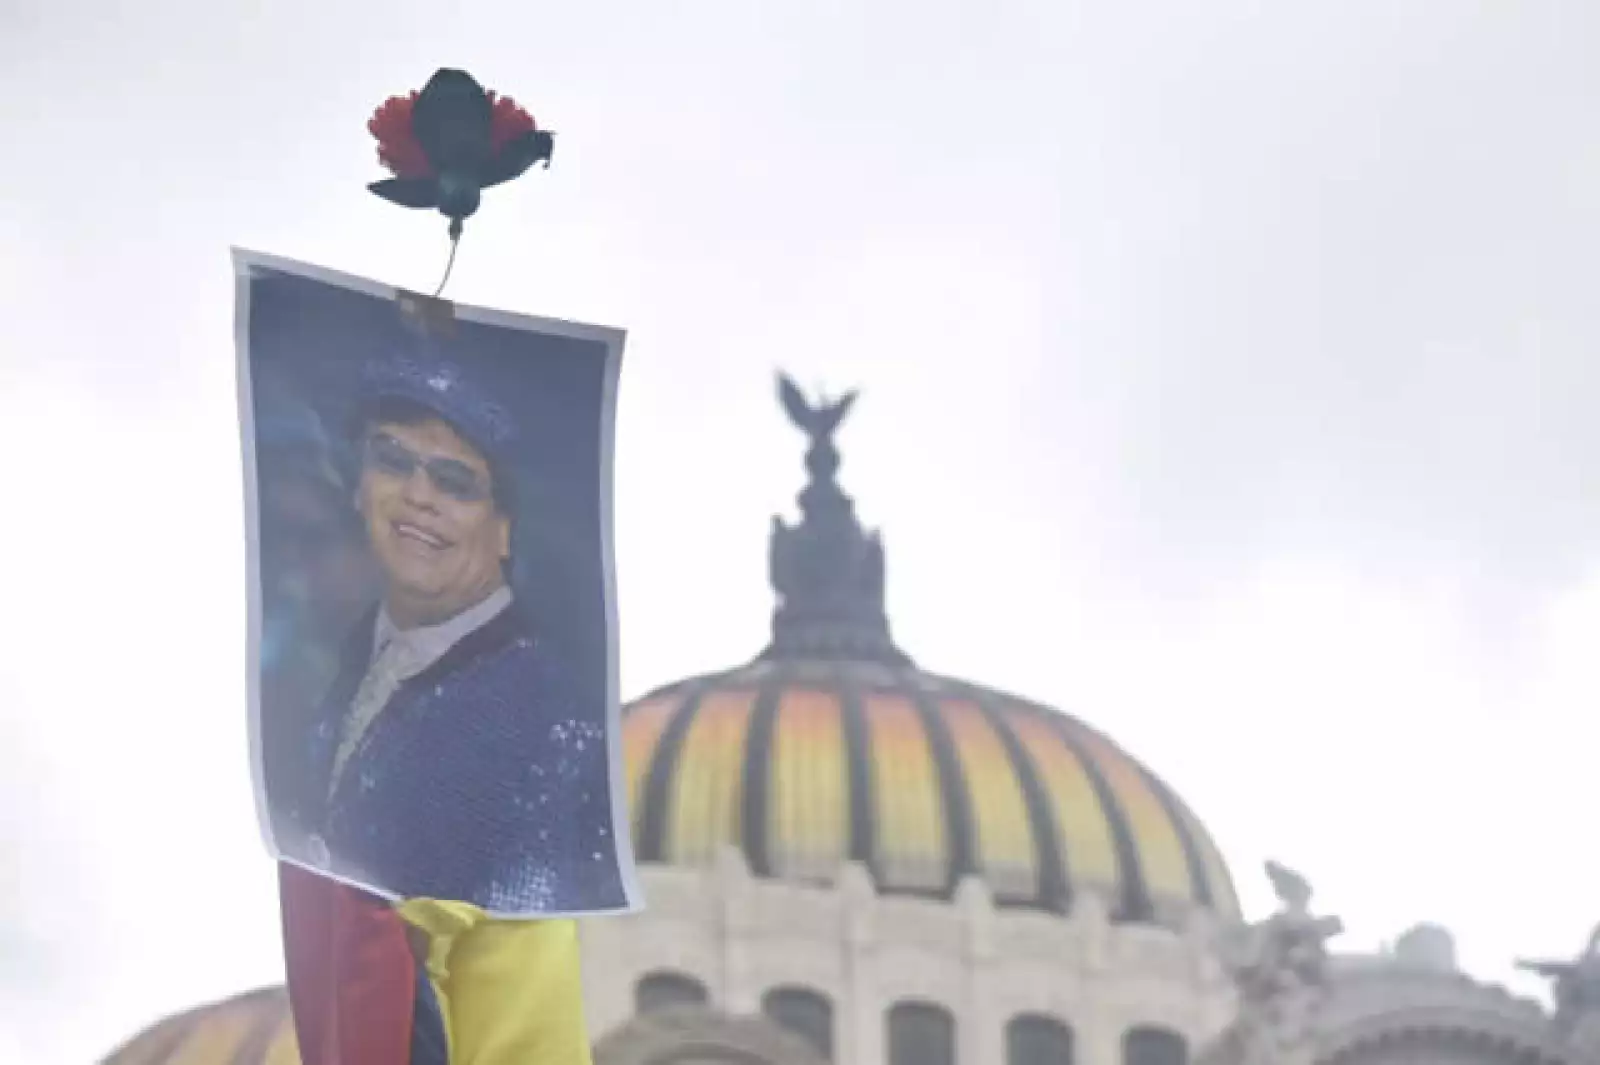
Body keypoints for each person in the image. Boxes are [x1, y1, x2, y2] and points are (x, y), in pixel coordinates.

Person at [265, 352, 623, 913]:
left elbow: (520, 948)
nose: (418, 496)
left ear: (505, 530)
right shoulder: (349, 661)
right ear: (358, 486)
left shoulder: (546, 724)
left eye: (455, 483)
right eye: (392, 459)